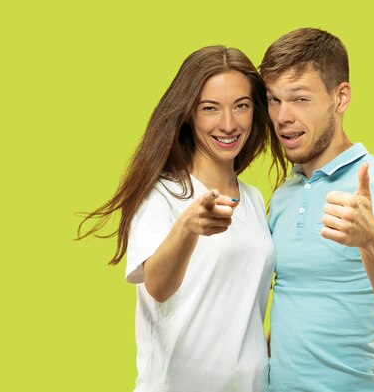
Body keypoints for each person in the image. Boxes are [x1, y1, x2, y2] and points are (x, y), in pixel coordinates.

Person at [77, 46, 286, 392]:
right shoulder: (162, 195)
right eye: (210, 109)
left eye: (241, 106)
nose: (229, 124)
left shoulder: (252, 200)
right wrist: (188, 227)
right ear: (189, 114)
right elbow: (157, 287)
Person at [261, 28, 374, 391]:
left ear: (340, 98)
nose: (282, 116)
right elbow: (292, 317)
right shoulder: (283, 196)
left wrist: (372, 241)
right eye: (274, 100)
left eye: (300, 99)